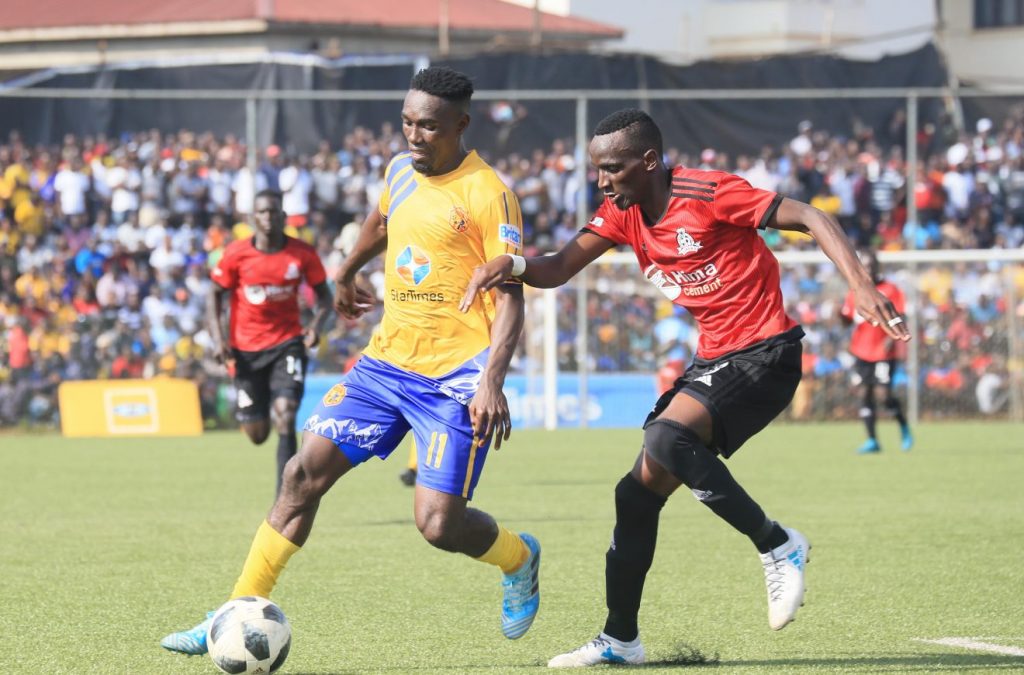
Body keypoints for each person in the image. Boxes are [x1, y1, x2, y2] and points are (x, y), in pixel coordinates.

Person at [460, 109, 910, 667]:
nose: (603, 181)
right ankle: (620, 639)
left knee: (667, 438)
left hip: (767, 352)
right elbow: (556, 268)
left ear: (649, 161)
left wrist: (860, 285)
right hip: (715, 360)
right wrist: (511, 264)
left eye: (613, 168)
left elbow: (812, 215)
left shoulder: (709, 193)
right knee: (635, 494)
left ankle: (777, 544)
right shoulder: (622, 213)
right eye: (597, 169)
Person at [161, 66, 540, 656]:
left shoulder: (489, 194)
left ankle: (518, 558)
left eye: (429, 126)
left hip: (455, 377)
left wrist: (491, 381)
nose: (414, 135)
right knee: (299, 476)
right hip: (385, 364)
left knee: (438, 526)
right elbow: (382, 221)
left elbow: (512, 297)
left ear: (461, 124)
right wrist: (346, 270)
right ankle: (234, 610)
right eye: (407, 123)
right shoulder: (400, 170)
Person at [207, 189, 334, 494]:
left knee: (286, 414)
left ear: (283, 217)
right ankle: (257, 411)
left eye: (273, 211)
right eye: (262, 212)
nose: (268, 217)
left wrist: (316, 327)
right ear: (253, 217)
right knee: (257, 433)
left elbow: (325, 296)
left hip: (287, 343)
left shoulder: (302, 253)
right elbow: (214, 294)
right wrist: (218, 339)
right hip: (245, 350)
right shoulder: (236, 253)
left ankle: (285, 496)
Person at [840, 250, 913, 454]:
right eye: (865, 266)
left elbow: (901, 315)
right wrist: (840, 315)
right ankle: (872, 440)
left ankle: (903, 426)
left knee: (883, 394)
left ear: (877, 267)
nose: (869, 270)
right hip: (860, 351)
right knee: (864, 393)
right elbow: (846, 321)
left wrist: (890, 339)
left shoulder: (890, 290)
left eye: (872, 266)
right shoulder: (854, 292)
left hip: (882, 352)